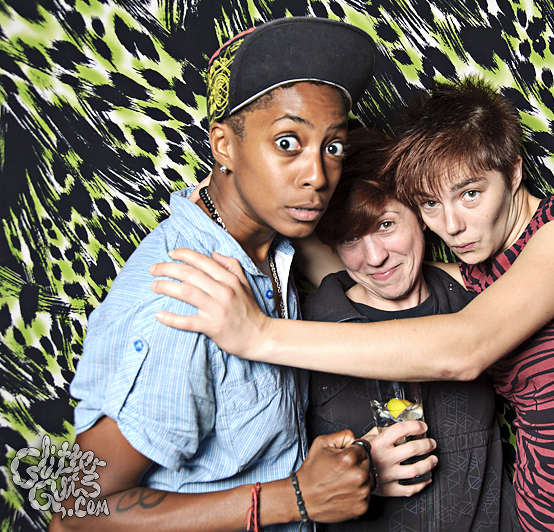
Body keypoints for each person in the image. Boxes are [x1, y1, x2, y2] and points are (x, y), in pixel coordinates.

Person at [150, 77, 554, 532]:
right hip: (538, 518)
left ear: (513, 173)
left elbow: (465, 346)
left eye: (470, 194)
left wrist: (258, 334)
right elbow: (353, 264)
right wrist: (236, 183)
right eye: (431, 204)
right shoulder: (480, 277)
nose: (452, 226)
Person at [52, 18, 381, 532]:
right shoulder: (181, 301)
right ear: (224, 145)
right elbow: (74, 512)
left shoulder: (273, 245)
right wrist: (296, 498)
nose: (317, 176)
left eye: (333, 146)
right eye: (288, 142)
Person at [299, 127, 519, 531]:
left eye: (386, 225)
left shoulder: (480, 301)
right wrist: (355, 473)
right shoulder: (304, 329)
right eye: (351, 239)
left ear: (420, 215)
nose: (375, 257)